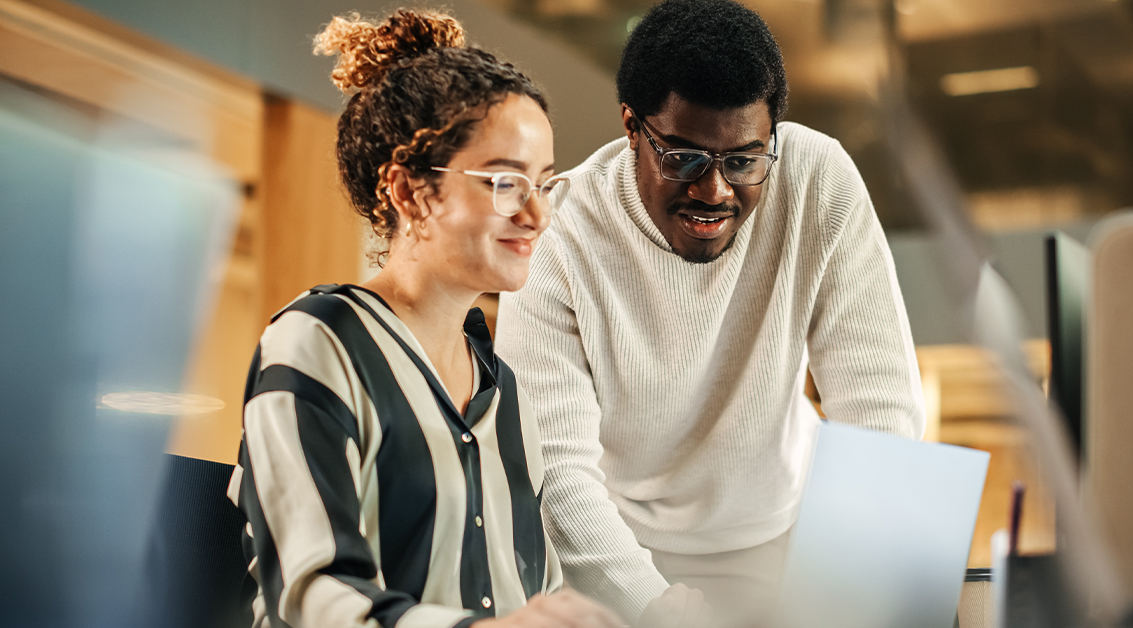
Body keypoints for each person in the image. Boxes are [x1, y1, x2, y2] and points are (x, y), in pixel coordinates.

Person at [494, 0, 927, 626]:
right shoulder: (560, 232)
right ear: (631, 127)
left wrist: (852, 586)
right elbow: (557, 467)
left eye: (744, 161)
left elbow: (879, 405)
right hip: (616, 550)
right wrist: (654, 607)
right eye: (684, 159)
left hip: (783, 535)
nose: (715, 191)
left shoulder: (817, 178)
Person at [226, 9, 623, 628]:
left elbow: (531, 596)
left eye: (544, 184)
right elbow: (308, 600)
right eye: (504, 182)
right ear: (410, 192)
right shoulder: (318, 342)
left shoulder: (505, 392)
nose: (538, 215)